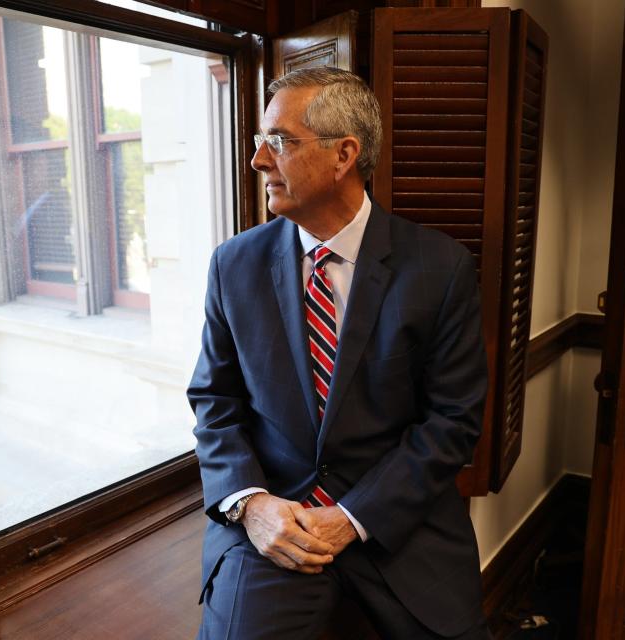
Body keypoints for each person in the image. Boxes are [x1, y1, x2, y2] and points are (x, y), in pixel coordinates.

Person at [188, 66, 489, 640]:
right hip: (275, 522)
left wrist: (354, 518)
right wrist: (251, 505)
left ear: (343, 154)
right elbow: (214, 401)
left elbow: (453, 421)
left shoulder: (440, 268)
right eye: (260, 141)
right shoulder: (234, 265)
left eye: (278, 141)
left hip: (398, 520)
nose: (258, 161)